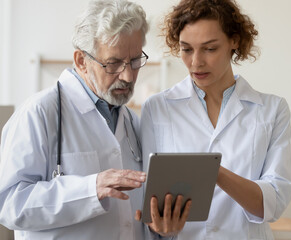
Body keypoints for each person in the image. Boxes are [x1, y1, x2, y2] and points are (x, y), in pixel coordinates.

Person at [0, 0, 189, 239]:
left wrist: (161, 230)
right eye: (114, 63)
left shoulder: (131, 120)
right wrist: (91, 188)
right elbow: (9, 204)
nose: (128, 75)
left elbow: (134, 219)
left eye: (134, 61)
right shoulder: (39, 113)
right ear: (81, 61)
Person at [140, 0, 291, 239]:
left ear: (234, 41)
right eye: (186, 49)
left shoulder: (271, 110)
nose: (196, 62)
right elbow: (148, 198)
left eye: (210, 49)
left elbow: (273, 203)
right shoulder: (157, 108)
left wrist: (211, 170)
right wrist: (158, 226)